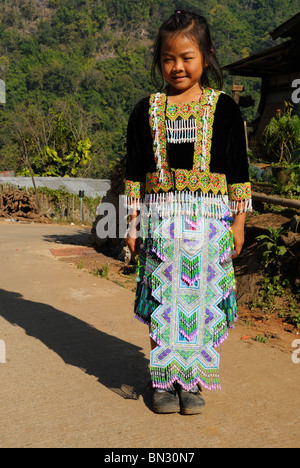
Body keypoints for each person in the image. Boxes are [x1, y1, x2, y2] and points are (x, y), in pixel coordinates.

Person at [125, 10, 252, 415]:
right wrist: (132, 222)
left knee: (200, 299)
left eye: (187, 57)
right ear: (158, 60)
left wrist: (239, 223)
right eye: (167, 58)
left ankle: (192, 380)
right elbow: (134, 174)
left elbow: (238, 174)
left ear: (207, 56)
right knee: (164, 299)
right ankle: (162, 381)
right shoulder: (146, 111)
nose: (177, 67)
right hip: (161, 222)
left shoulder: (226, 110)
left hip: (210, 225)